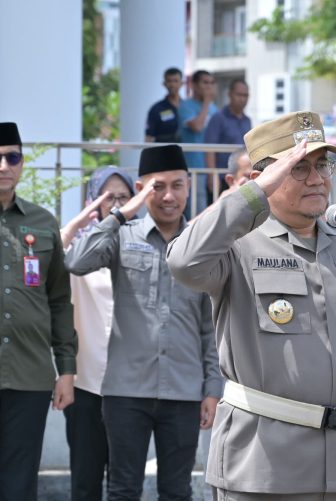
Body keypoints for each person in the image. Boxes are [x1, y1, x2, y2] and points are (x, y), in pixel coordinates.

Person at [166, 111, 336, 500]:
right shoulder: (237, 245)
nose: (316, 178)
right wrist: (255, 193)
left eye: (323, 164)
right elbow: (183, 262)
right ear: (266, 176)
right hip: (264, 466)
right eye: (299, 167)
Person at [65, 145, 223, 501]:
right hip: (125, 392)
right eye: (157, 186)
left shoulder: (199, 245)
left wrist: (213, 387)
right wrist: (121, 214)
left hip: (184, 391)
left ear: (188, 186)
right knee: (122, 490)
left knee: (177, 491)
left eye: (177, 185)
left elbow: (208, 326)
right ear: (141, 189)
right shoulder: (123, 235)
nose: (169, 196)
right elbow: (76, 261)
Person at [0, 122, 77, 501]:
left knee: (19, 488)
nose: (4, 165)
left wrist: (67, 369)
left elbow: (58, 298)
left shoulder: (42, 222)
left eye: (13, 157)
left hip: (29, 378)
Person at [60, 166, 135, 501]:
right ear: (92, 202)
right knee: (85, 482)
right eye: (107, 198)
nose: (116, 206)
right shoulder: (78, 251)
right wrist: (83, 221)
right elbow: (52, 255)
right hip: (86, 384)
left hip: (133, 386)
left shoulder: (146, 248)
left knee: (124, 483)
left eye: (123, 198)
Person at [204, 78, 251, 203]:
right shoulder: (218, 118)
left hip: (242, 178)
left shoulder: (247, 120)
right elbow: (210, 149)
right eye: (239, 94)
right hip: (221, 178)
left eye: (245, 95)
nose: (242, 99)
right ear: (230, 94)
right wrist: (212, 177)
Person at [180, 70, 218, 215]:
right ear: (194, 85)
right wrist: (207, 101)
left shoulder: (214, 109)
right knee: (197, 212)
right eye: (205, 82)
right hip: (194, 168)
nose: (209, 86)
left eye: (211, 83)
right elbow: (197, 126)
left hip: (212, 168)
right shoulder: (186, 106)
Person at [144, 67, 183, 143]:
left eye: (175, 81)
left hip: (185, 151)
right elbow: (149, 136)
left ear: (181, 83)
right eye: (169, 81)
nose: (172, 84)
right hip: (163, 151)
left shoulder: (187, 107)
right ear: (164, 84)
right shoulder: (157, 108)